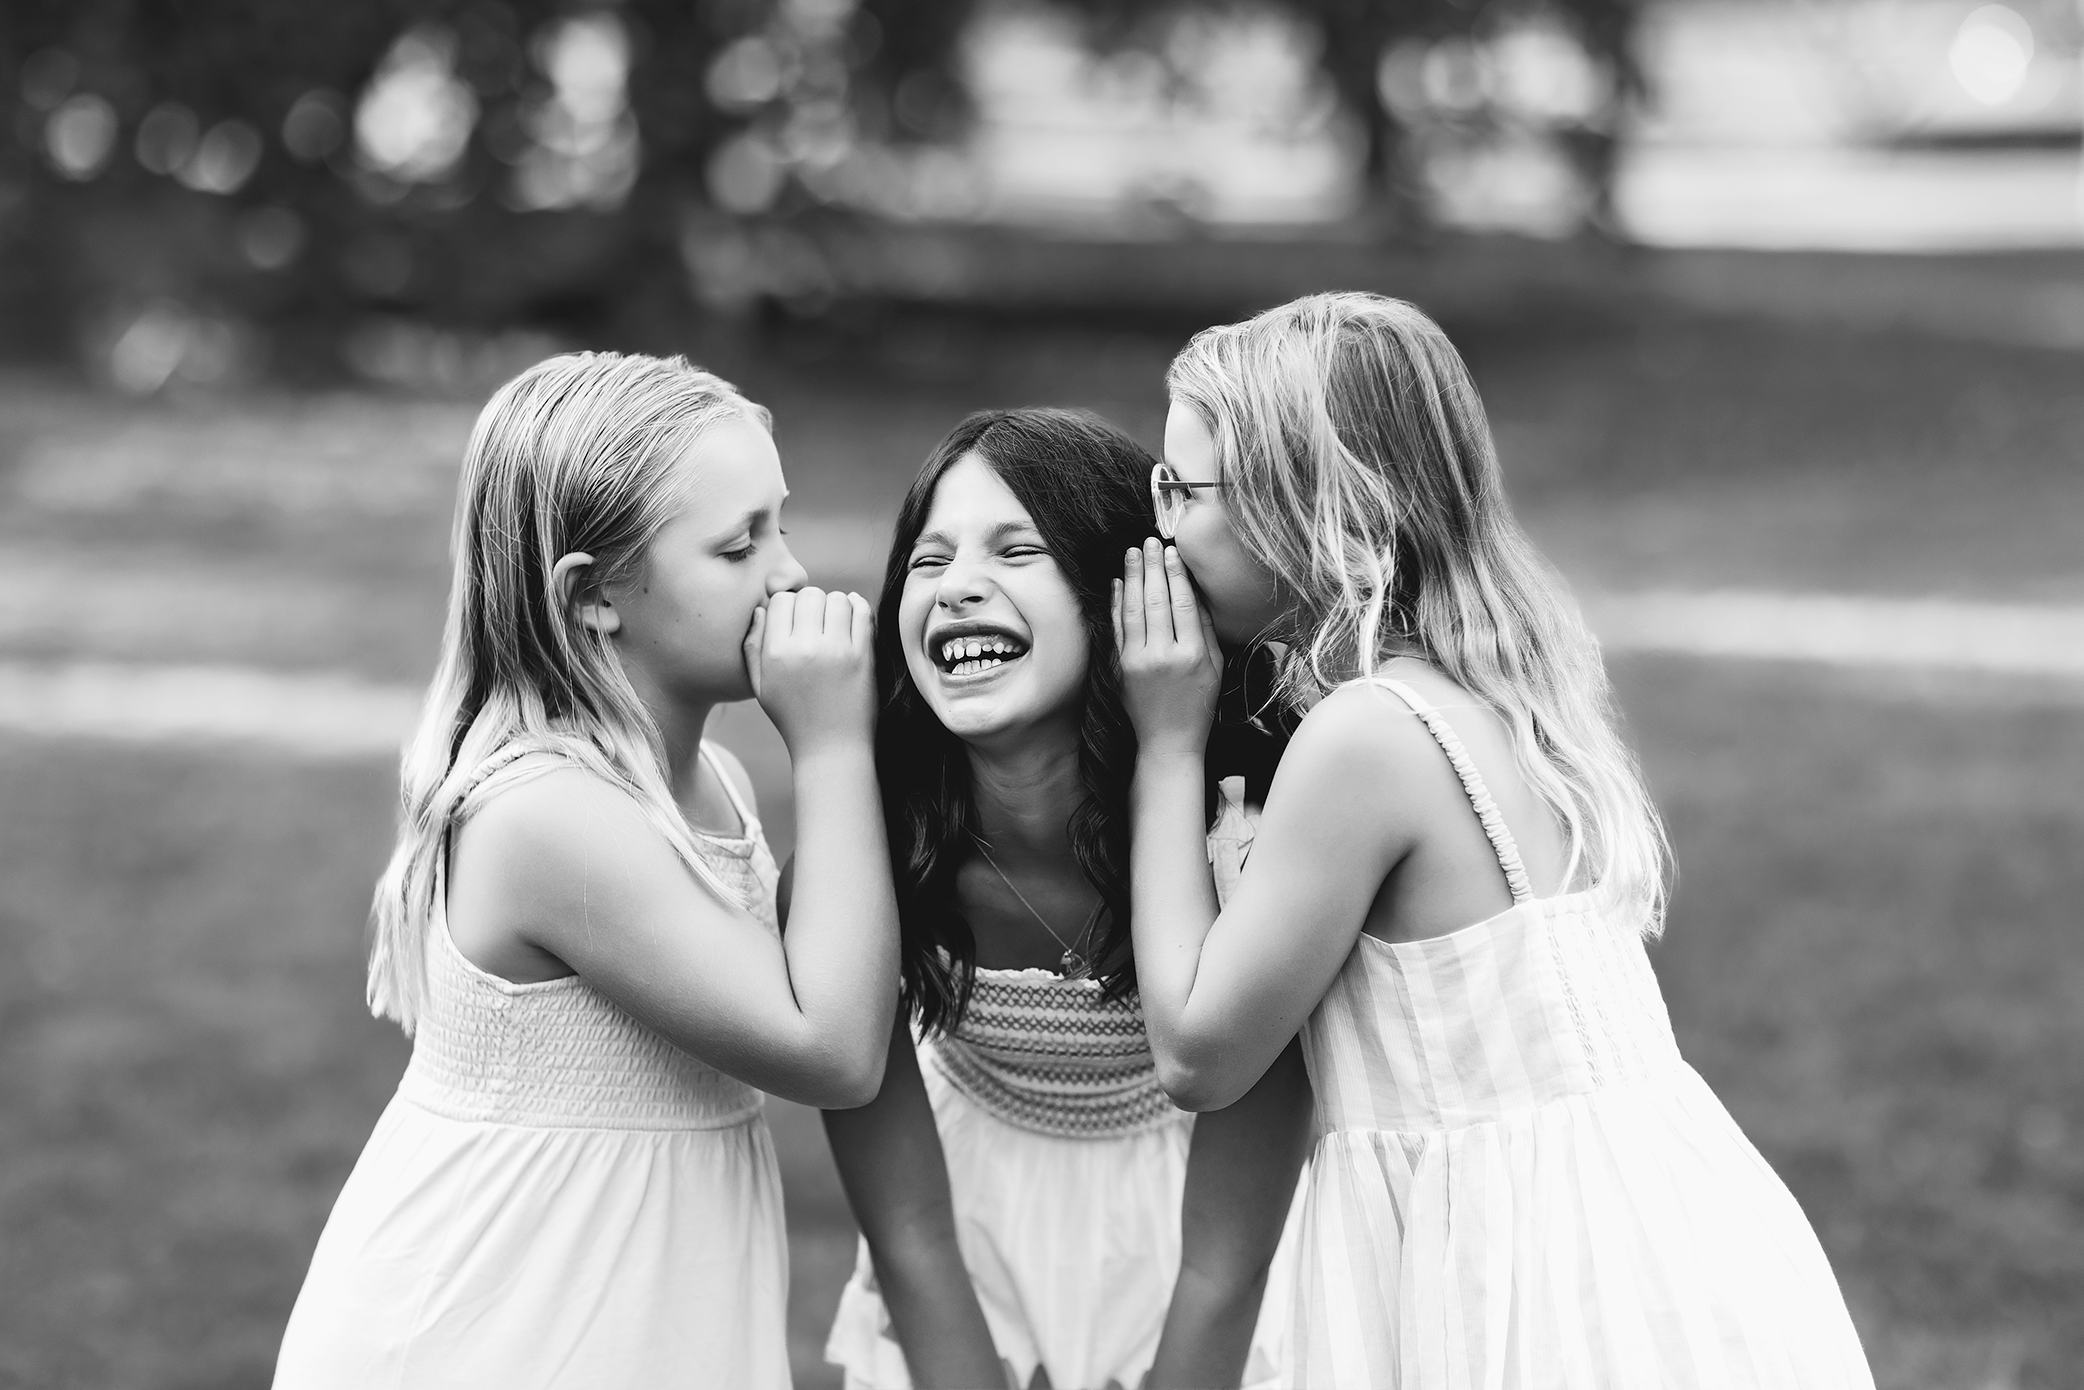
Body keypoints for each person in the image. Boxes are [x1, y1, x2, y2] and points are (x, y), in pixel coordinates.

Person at [1113, 293, 1876, 1387]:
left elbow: (1197, 1050)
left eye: (1184, 490)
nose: (1165, 526)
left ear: (1312, 506)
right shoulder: (1503, 692)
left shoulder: (1362, 739)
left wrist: (1165, 740)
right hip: (1644, 1235)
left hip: (1507, 1272)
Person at [274, 352, 900, 1388]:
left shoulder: (715, 785)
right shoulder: (548, 814)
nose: (788, 573)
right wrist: (836, 745)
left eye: (778, 523)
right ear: (594, 595)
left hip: (638, 1296)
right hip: (497, 1321)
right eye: (738, 545)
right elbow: (830, 1049)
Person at [822, 408, 1313, 1390]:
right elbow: (910, 1238)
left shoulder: (1247, 842)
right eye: (928, 561)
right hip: (964, 1230)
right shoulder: (864, 863)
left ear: (1129, 599)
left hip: (1211, 1243)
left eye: (1016, 551)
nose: (959, 585)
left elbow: (1224, 1266)